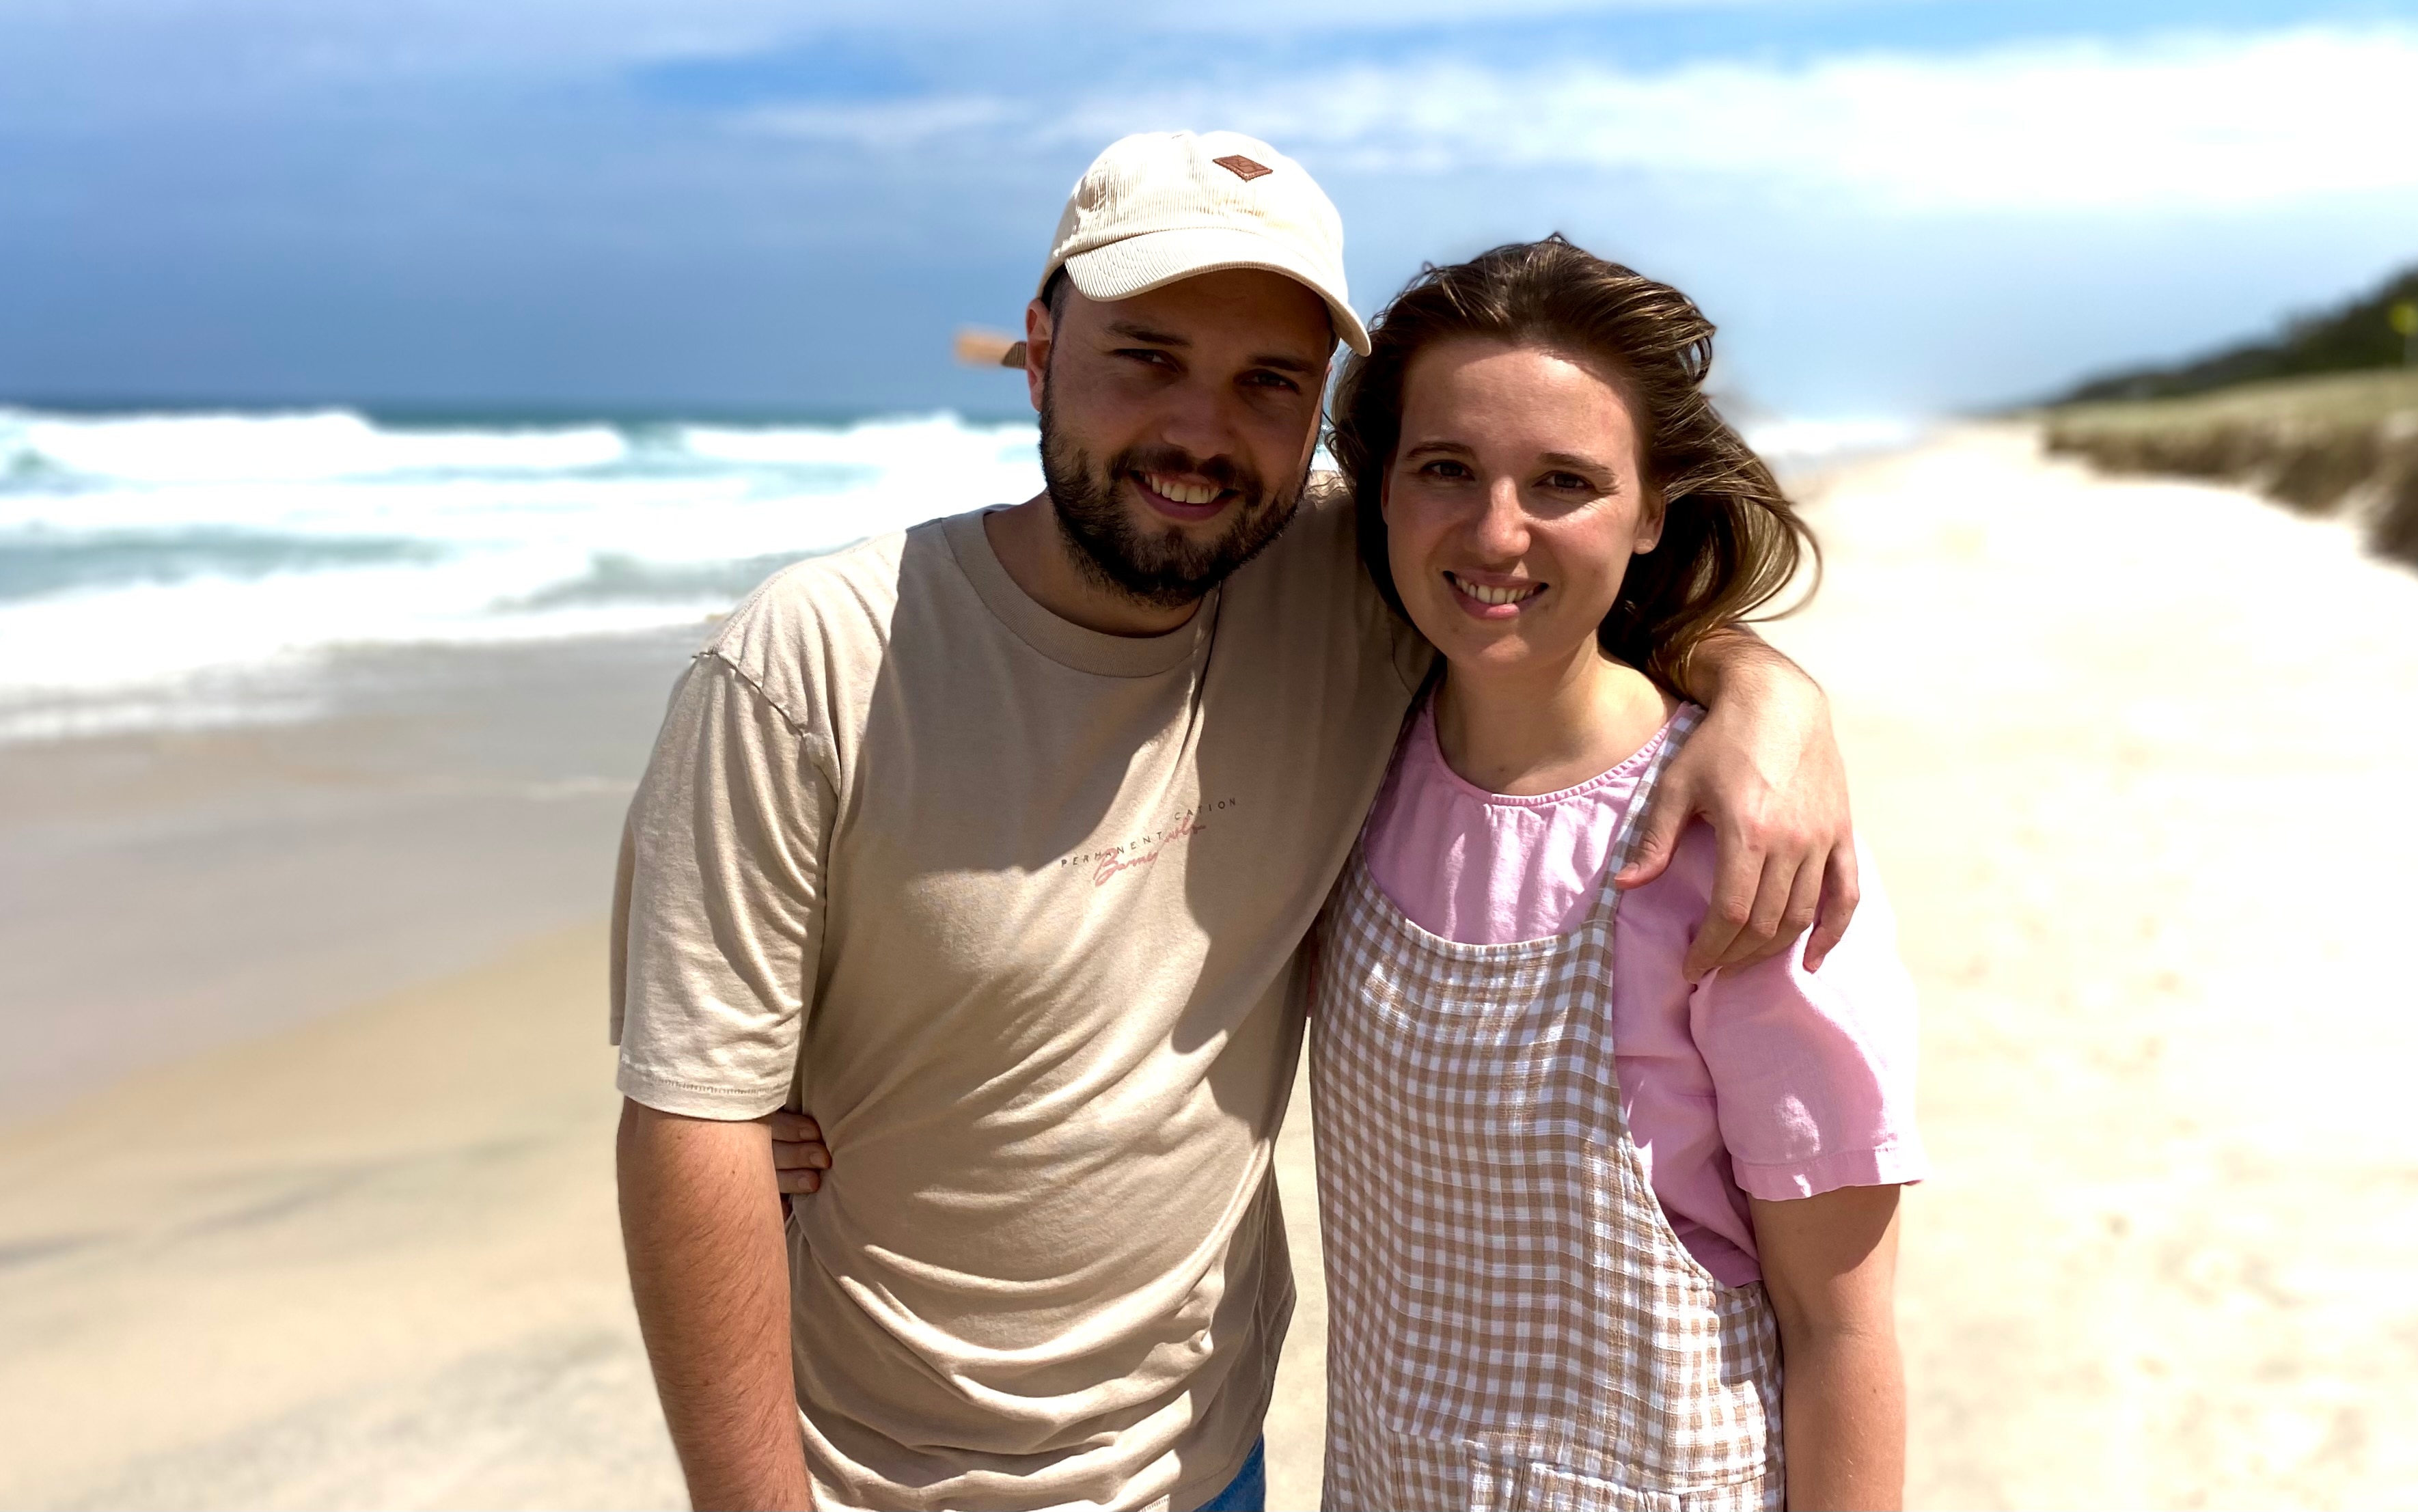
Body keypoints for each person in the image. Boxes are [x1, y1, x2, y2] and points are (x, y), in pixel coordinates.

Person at [616, 130, 1860, 1512]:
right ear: (1038, 350)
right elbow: (692, 1118)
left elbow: (1544, 583)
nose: (1200, 433)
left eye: (1266, 382)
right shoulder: (814, 663)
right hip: (870, 1476)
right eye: (1145, 357)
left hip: (1208, 1464)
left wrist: (1769, 696)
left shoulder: (1340, 581)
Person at [1306, 237, 1925, 1511]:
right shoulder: (1343, 750)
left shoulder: (1743, 845)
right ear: (1376, 489)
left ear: (1651, 511)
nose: (1495, 531)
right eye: (1445, 469)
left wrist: (1767, 691)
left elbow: (1842, 1328)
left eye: (1564, 482)